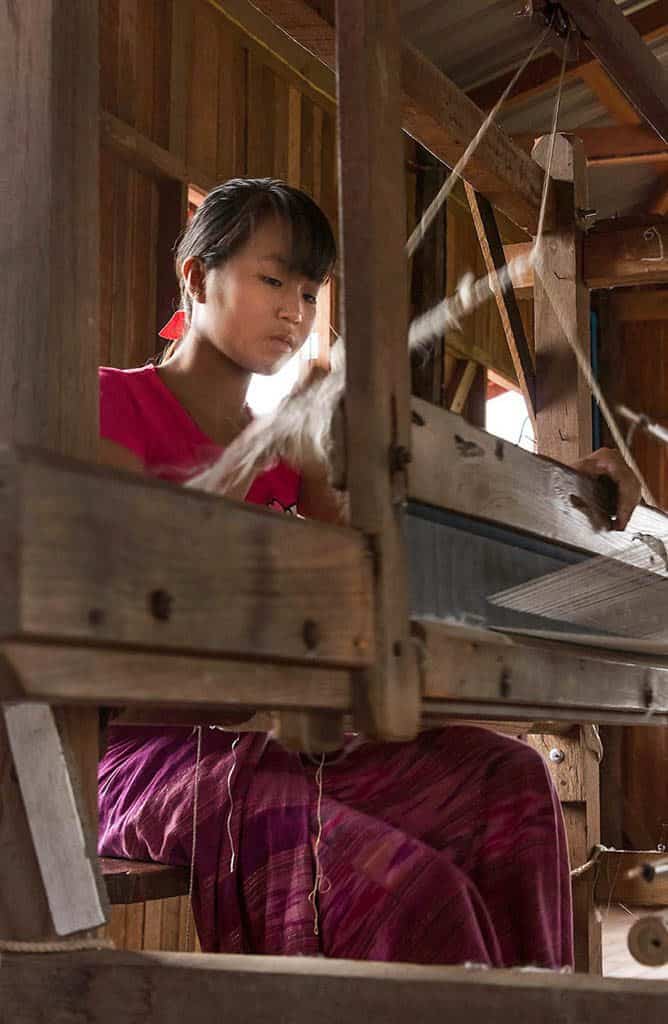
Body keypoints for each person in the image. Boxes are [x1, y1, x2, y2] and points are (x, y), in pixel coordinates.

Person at [98, 177, 638, 966]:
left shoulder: (292, 463)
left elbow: (347, 632)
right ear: (194, 276)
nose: (295, 308)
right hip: (134, 755)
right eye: (273, 279)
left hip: (271, 740)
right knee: (413, 895)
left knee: (512, 781)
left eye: (312, 292)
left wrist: (566, 498)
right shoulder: (107, 407)